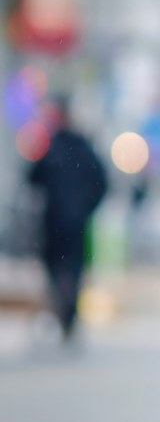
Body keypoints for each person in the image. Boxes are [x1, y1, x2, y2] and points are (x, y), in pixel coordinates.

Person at [26, 98, 107, 344]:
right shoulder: (68, 148)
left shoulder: (61, 148)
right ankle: (66, 311)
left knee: (64, 268)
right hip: (65, 222)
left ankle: (67, 312)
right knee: (67, 268)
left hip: (63, 223)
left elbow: (33, 179)